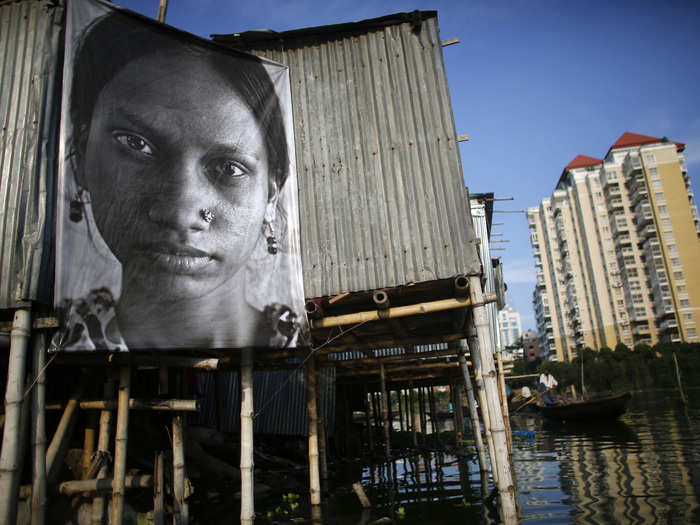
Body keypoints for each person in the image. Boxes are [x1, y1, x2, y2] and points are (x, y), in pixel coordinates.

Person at [52, 7, 306, 351]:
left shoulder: (295, 350)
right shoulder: (65, 343)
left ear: (271, 195)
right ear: (81, 156)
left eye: (229, 168)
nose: (180, 213)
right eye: (136, 144)